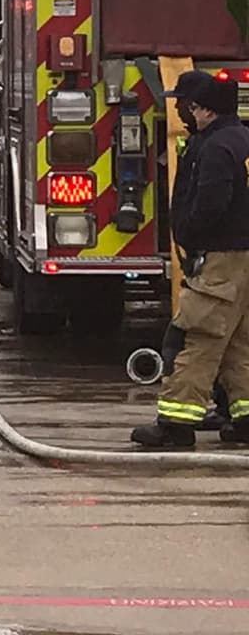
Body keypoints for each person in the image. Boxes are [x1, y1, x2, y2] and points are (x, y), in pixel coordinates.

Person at [131, 71, 249, 449]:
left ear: (200, 108)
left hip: (219, 259)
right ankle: (245, 418)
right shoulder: (242, 139)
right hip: (243, 258)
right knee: (238, 342)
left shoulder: (214, 148)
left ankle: (175, 425)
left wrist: (191, 238)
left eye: (183, 104)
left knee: (194, 338)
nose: (179, 111)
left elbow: (211, 203)